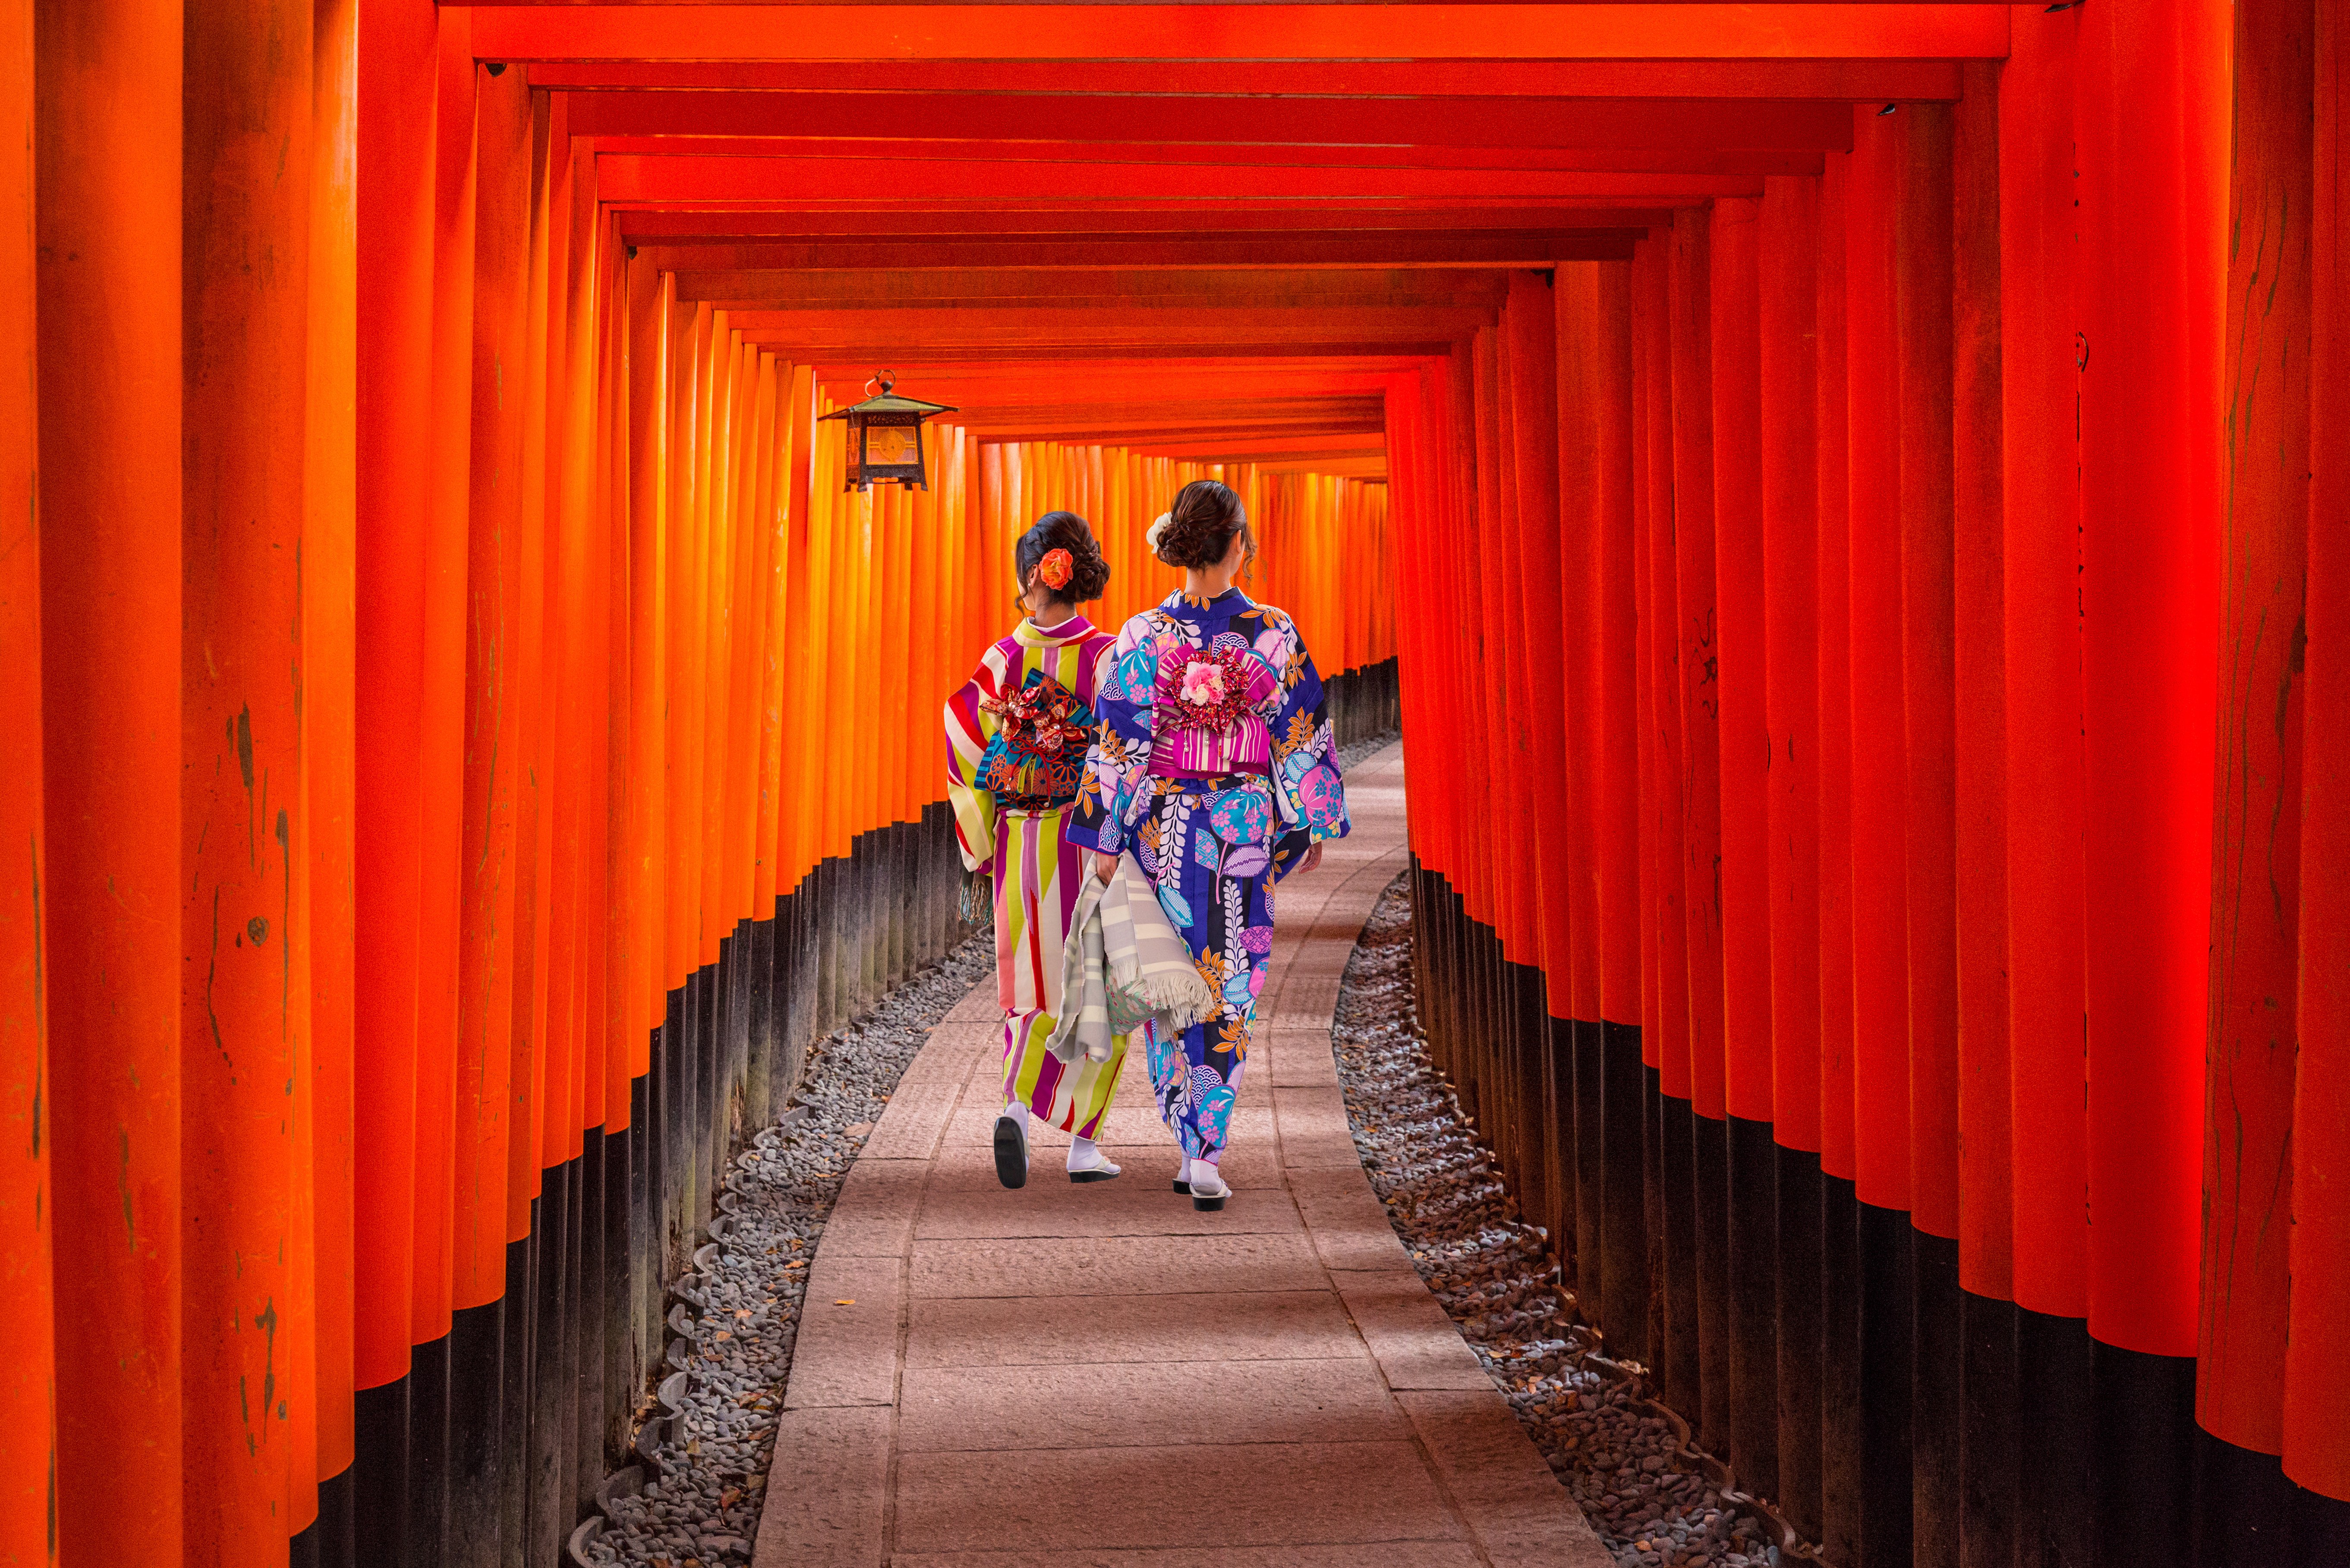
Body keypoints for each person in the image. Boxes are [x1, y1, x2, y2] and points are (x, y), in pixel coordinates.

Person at [1065, 480, 1351, 1212]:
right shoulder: (1273, 632)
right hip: (1242, 826)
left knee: (1175, 982)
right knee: (1229, 985)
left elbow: (1118, 741)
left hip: (1165, 828)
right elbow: (1300, 731)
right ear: (1239, 547)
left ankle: (1188, 1132)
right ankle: (1204, 1147)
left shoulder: (1139, 636)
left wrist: (1106, 833)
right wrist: (1312, 816)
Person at [944, 512, 1131, 1189]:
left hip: (1022, 837)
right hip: (1090, 839)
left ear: (1033, 576)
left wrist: (979, 835)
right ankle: (1083, 1144)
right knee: (1099, 981)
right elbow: (1123, 749)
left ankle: (1017, 1108)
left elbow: (963, 736)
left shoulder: (1001, 659)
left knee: (1030, 976)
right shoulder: (1108, 654)